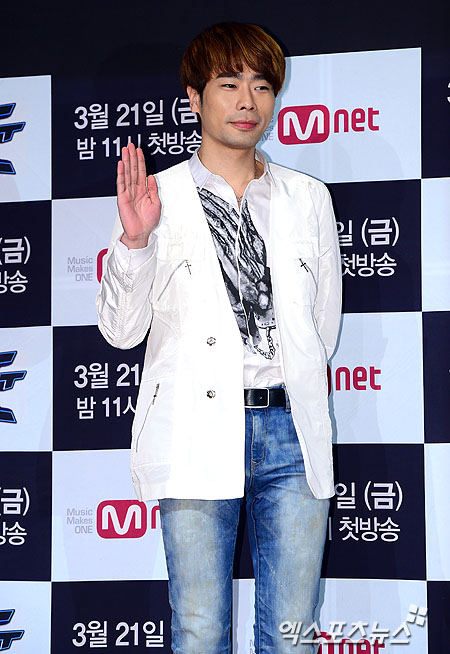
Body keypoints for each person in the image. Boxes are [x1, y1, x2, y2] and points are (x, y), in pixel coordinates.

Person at [96, 22, 341, 654]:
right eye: (228, 84)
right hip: (195, 428)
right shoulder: (158, 197)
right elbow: (120, 332)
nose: (247, 101)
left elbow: (321, 326)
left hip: (291, 432)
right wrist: (135, 242)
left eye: (261, 85)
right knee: (200, 632)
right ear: (194, 97)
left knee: (292, 634)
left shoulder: (308, 198)